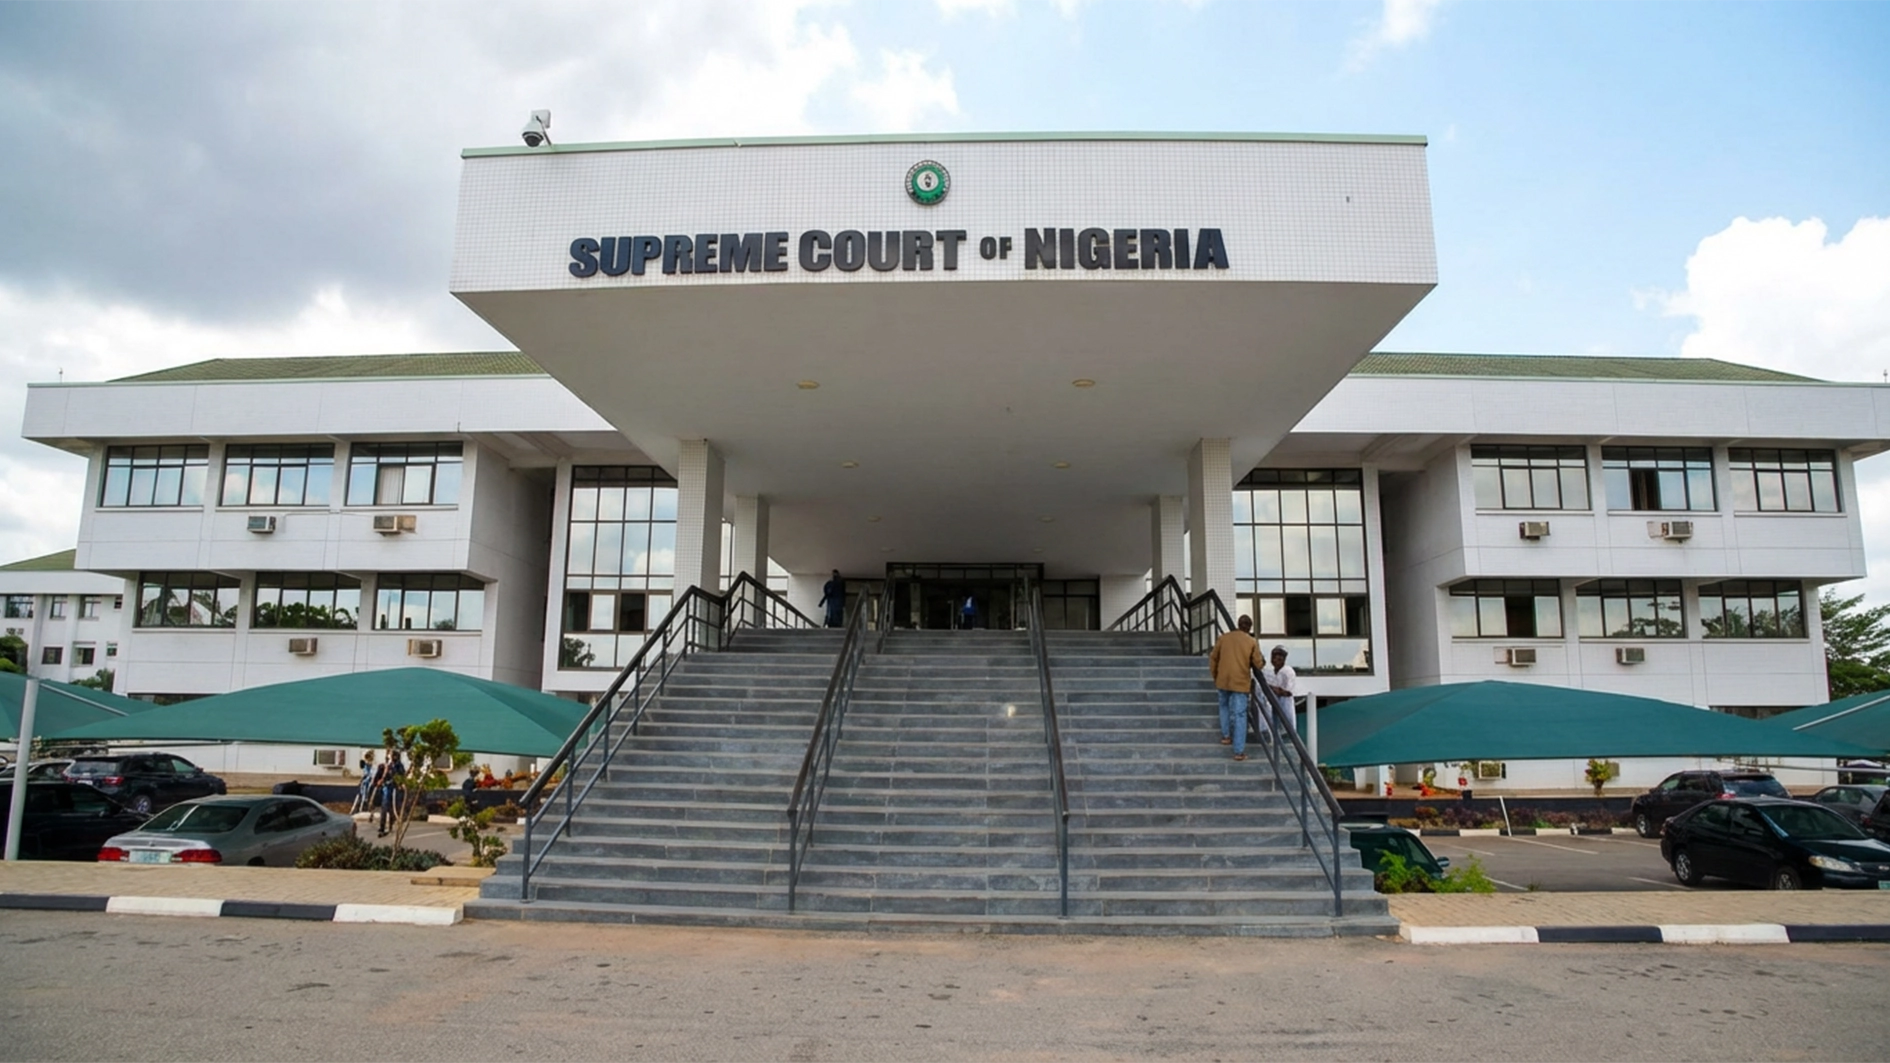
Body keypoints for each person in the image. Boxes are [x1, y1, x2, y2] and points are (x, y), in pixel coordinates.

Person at [1209, 615, 1264, 761]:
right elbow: (1258, 663)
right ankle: (1238, 751)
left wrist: (1216, 676)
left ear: (1238, 624)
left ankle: (1226, 736)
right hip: (1240, 682)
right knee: (1240, 715)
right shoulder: (1251, 641)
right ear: (1249, 627)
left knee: (1224, 706)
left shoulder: (1223, 638)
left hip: (1223, 680)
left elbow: (1213, 658)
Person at [1259, 645, 1298, 742]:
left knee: (1287, 724)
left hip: (1284, 703)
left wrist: (1270, 688)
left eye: (1279, 658)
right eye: (1274, 658)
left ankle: (1288, 733)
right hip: (1273, 703)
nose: (1275, 660)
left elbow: (1287, 692)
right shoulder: (1270, 672)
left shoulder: (1288, 671)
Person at [377, 750, 405, 837]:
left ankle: (391, 826)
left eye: (394, 756)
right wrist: (381, 780)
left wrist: (400, 784)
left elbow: (402, 776)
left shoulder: (399, 766)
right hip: (387, 787)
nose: (392, 758)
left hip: (395, 788)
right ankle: (382, 827)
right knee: (384, 808)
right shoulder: (388, 765)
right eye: (392, 756)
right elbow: (384, 775)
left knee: (394, 808)